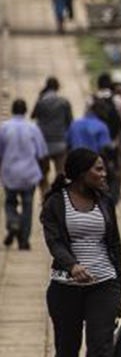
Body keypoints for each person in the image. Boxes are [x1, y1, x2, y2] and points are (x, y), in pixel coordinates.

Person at [41, 147, 121, 357]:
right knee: (67, 349)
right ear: (80, 173)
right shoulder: (55, 203)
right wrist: (73, 266)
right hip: (66, 287)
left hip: (104, 284)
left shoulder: (105, 201)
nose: (104, 174)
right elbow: (54, 242)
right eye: (98, 169)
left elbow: (114, 246)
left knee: (100, 346)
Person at [2, 98, 49, 250]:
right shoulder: (33, 128)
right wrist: (43, 173)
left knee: (10, 202)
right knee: (28, 206)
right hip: (29, 173)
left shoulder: (4, 128)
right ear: (25, 110)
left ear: (13, 110)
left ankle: (13, 222)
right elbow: (42, 154)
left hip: (10, 173)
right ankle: (23, 240)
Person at [31, 77, 70, 192]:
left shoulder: (41, 101)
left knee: (43, 174)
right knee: (61, 173)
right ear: (57, 87)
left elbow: (33, 116)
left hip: (43, 144)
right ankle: (59, 196)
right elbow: (70, 122)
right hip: (60, 143)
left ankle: (45, 196)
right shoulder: (64, 102)